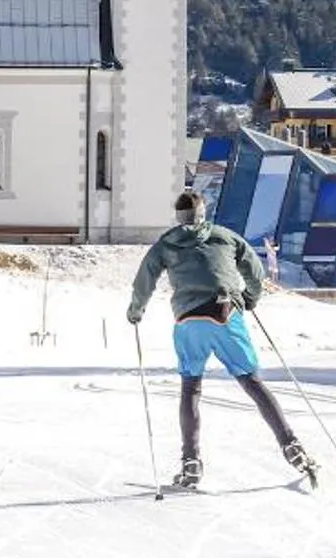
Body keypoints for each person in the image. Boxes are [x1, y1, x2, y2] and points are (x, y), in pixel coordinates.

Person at [127, 191, 317, 490]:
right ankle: (290, 444)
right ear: (203, 212)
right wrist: (251, 298)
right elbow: (254, 268)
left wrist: (136, 311)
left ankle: (191, 461)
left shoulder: (167, 243)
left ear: (178, 216)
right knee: (252, 382)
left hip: (189, 320)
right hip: (225, 313)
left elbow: (145, 279)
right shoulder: (225, 236)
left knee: (191, 387)